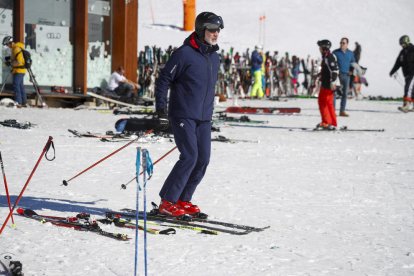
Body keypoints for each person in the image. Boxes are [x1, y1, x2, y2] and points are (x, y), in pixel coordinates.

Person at [154, 12, 224, 217]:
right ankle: (168, 201)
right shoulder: (183, 53)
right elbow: (164, 80)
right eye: (212, 29)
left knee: (203, 159)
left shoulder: (214, 56)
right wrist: (161, 110)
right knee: (189, 157)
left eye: (218, 30)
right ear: (202, 29)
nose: (216, 33)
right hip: (183, 114)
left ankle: (183, 199)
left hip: (203, 117)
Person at [316, 39, 339, 130]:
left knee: (323, 102)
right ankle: (332, 122)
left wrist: (333, 82)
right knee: (328, 103)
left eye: (320, 47)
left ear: (324, 48)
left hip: (328, 84)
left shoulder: (329, 57)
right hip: (327, 83)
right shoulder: (327, 56)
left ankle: (326, 122)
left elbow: (334, 70)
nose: (319, 49)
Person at [389, 35, 414, 111]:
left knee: (408, 88)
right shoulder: (402, 52)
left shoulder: (413, 50)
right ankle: (411, 105)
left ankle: (406, 104)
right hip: (406, 74)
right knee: (411, 89)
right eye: (401, 44)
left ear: (407, 41)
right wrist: (392, 71)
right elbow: (398, 63)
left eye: (402, 43)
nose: (401, 45)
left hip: (413, 72)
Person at [332, 37, 356, 117]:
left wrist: (351, 71)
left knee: (345, 94)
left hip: (346, 76)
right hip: (337, 76)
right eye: (341, 42)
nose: (342, 44)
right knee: (334, 94)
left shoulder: (350, 53)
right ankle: (332, 111)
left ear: (347, 44)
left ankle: (342, 111)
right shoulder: (335, 52)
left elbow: (353, 63)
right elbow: (331, 63)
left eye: (343, 43)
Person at [2, 36, 27, 107]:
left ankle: (18, 101)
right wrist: (9, 59)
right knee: (20, 86)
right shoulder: (14, 48)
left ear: (10, 42)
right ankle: (24, 101)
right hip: (20, 70)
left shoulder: (16, 48)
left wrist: (10, 63)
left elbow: (19, 61)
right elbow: (15, 58)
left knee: (16, 85)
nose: (7, 46)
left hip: (19, 70)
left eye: (7, 44)